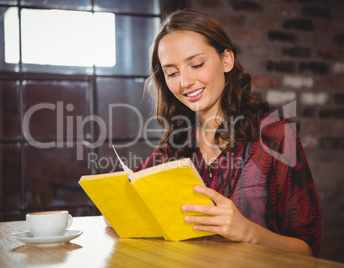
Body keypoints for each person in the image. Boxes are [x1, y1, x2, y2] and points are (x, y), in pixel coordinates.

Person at [134, 9, 321, 256]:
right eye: (172, 73)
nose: (184, 82)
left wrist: (248, 232)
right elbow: (130, 202)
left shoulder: (275, 136)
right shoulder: (175, 144)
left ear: (226, 60)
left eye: (197, 64)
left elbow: (308, 250)